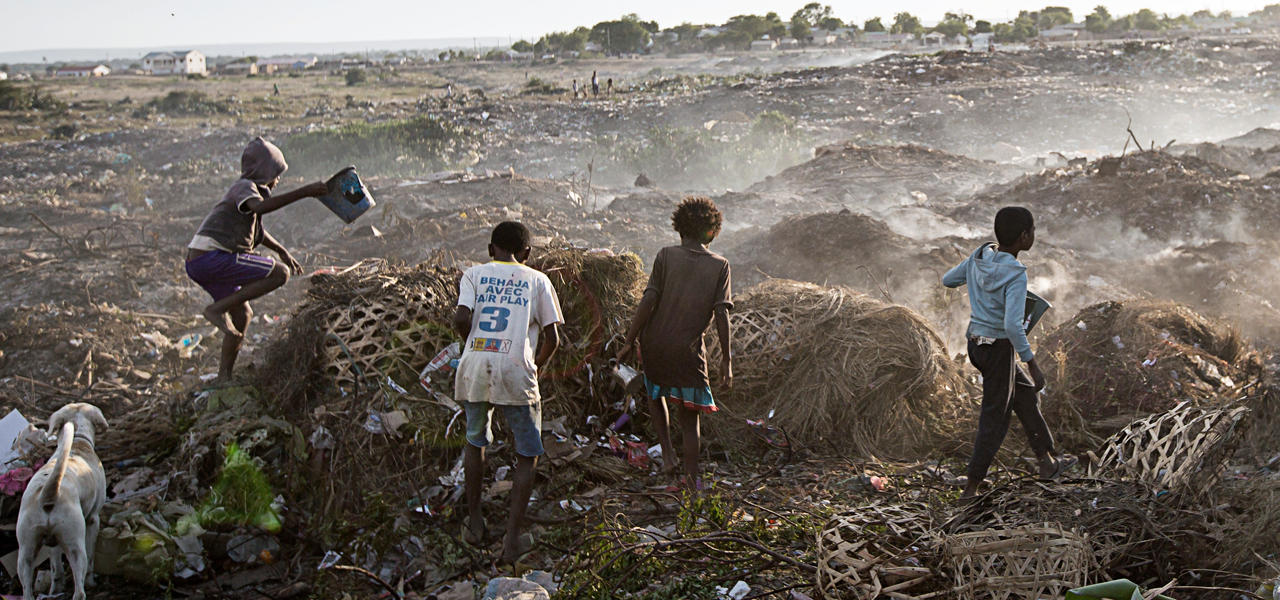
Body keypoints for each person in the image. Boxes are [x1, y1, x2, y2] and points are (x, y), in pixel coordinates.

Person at [942, 206, 1072, 502]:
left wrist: (978, 283)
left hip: (976, 344)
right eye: (1033, 231)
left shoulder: (979, 256)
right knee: (995, 418)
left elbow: (949, 280)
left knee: (1025, 395)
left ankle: (1048, 462)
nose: (1034, 236)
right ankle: (971, 488)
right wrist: (1033, 363)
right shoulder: (1016, 274)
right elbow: (1014, 327)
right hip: (999, 349)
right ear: (1024, 237)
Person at [453, 221, 563, 564]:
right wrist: (536, 367)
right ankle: (512, 541)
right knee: (527, 455)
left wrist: (471, 345)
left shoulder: (473, 273)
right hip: (517, 368)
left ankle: (475, 524)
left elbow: (460, 318)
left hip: (475, 366)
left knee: (475, 440)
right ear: (527, 253)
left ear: (490, 249)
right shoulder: (537, 279)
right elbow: (553, 338)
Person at [185, 138, 328, 383]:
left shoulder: (249, 193)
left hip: (199, 262)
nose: (278, 179)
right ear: (264, 172)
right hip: (212, 258)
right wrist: (305, 192)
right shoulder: (245, 187)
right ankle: (216, 309)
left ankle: (224, 378)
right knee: (280, 274)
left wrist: (281, 249)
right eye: (276, 173)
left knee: (243, 314)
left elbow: (257, 232)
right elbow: (261, 209)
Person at [618, 197, 732, 490]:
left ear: (680, 228)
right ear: (713, 231)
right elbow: (721, 314)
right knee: (689, 416)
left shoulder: (666, 255)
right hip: (687, 351)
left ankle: (668, 454)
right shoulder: (720, 266)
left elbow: (649, 299)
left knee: (655, 393)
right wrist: (726, 360)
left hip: (654, 342)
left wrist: (630, 339)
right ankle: (691, 482)